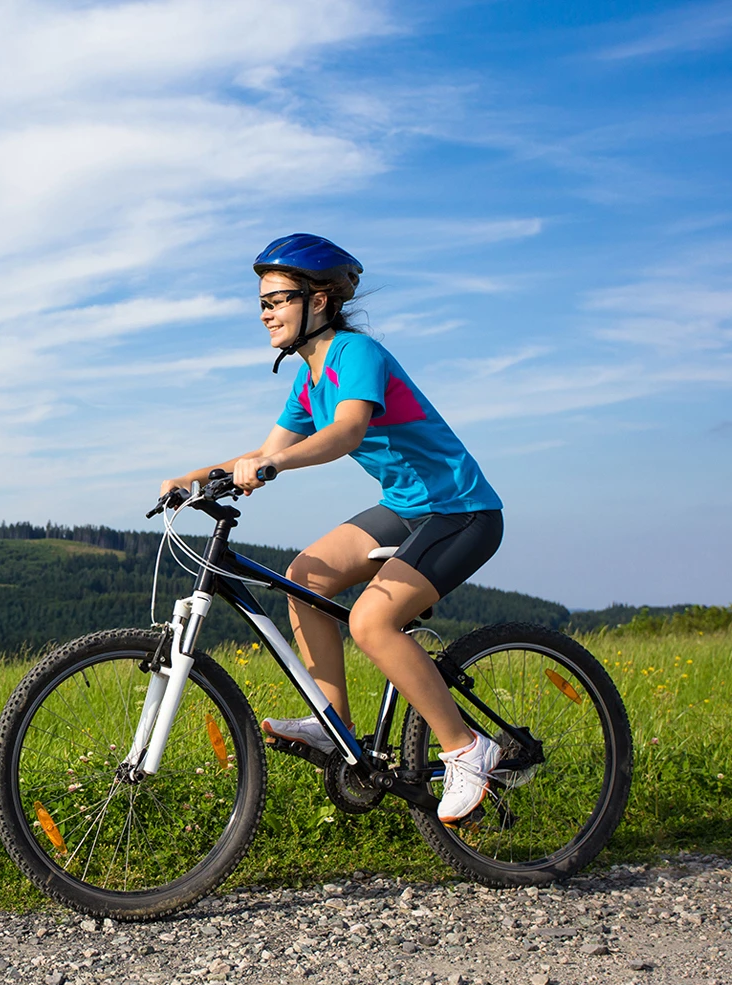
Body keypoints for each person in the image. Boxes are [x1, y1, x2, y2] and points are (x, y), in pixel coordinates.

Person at [160, 233, 505, 826]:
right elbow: (266, 450)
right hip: (405, 505)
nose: (266, 312)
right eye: (261, 302)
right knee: (304, 577)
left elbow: (345, 432)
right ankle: (336, 728)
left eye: (278, 299)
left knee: (372, 621)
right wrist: (194, 477)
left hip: (460, 509)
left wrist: (273, 466)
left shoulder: (355, 355)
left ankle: (468, 749)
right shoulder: (306, 380)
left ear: (318, 301)